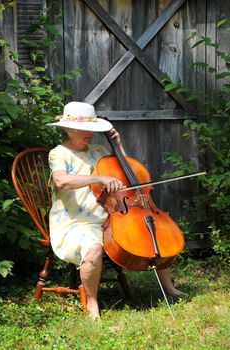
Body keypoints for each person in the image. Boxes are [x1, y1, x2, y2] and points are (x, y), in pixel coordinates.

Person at [48, 101, 186, 320]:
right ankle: (92, 303)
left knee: (151, 231)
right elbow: (62, 181)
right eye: (85, 130)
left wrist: (118, 145)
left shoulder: (100, 150)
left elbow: (126, 170)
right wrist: (99, 177)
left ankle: (168, 287)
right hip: (75, 222)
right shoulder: (59, 154)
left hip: (107, 215)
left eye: (92, 130)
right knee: (93, 248)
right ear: (69, 129)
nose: (90, 135)